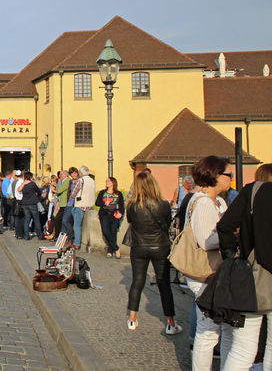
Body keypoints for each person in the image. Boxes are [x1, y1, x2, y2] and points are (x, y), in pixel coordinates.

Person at [216, 163, 272, 370]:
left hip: (249, 276)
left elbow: (224, 226)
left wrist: (232, 258)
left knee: (243, 348)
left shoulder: (251, 192)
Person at [186, 156, 233, 370]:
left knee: (223, 330)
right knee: (207, 331)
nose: (231, 179)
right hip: (204, 272)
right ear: (214, 175)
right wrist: (234, 235)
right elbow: (206, 240)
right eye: (228, 175)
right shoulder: (203, 202)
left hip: (216, 271)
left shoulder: (219, 202)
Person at [123, 172, 180, 335]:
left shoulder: (132, 206)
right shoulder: (162, 204)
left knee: (137, 282)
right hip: (159, 246)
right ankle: (170, 322)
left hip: (139, 246)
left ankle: (132, 319)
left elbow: (130, 222)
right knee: (164, 284)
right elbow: (167, 223)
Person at [95, 177, 125, 258]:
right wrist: (104, 203)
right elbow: (97, 203)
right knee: (105, 231)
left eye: (108, 181)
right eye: (106, 181)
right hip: (104, 214)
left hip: (115, 214)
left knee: (113, 232)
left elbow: (122, 205)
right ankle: (116, 248)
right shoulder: (102, 192)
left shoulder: (118, 193)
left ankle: (110, 250)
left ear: (113, 182)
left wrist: (121, 214)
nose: (106, 182)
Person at [18, 171, 42, 240]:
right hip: (32, 203)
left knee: (27, 219)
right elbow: (38, 191)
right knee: (36, 219)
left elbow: (19, 190)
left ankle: (26, 236)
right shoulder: (32, 184)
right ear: (30, 177)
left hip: (25, 203)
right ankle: (39, 235)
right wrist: (37, 194)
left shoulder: (23, 184)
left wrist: (23, 184)